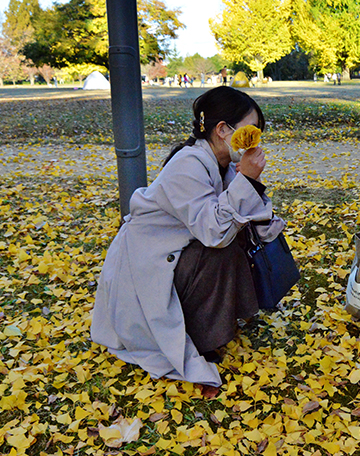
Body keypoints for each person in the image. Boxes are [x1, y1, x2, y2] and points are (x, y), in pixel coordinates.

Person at [91, 86, 285, 386]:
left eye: (258, 135)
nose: (254, 144)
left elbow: (246, 216)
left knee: (236, 243)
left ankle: (216, 323)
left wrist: (247, 182)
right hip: (147, 263)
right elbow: (215, 232)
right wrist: (246, 179)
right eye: (250, 135)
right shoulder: (187, 165)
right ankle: (204, 337)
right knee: (222, 250)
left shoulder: (224, 164)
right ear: (222, 130)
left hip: (178, 250)